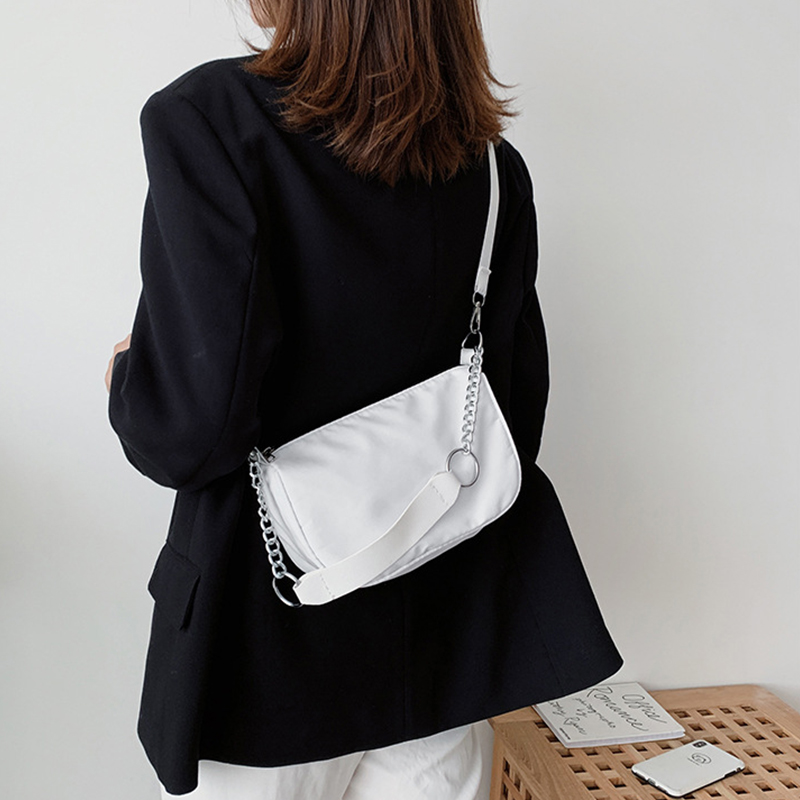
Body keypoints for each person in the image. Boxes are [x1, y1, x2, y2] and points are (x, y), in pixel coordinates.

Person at [105, 0, 624, 796]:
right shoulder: (489, 166)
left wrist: (128, 379)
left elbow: (191, 431)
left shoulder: (211, 121)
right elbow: (513, 411)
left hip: (264, 654)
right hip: (444, 646)